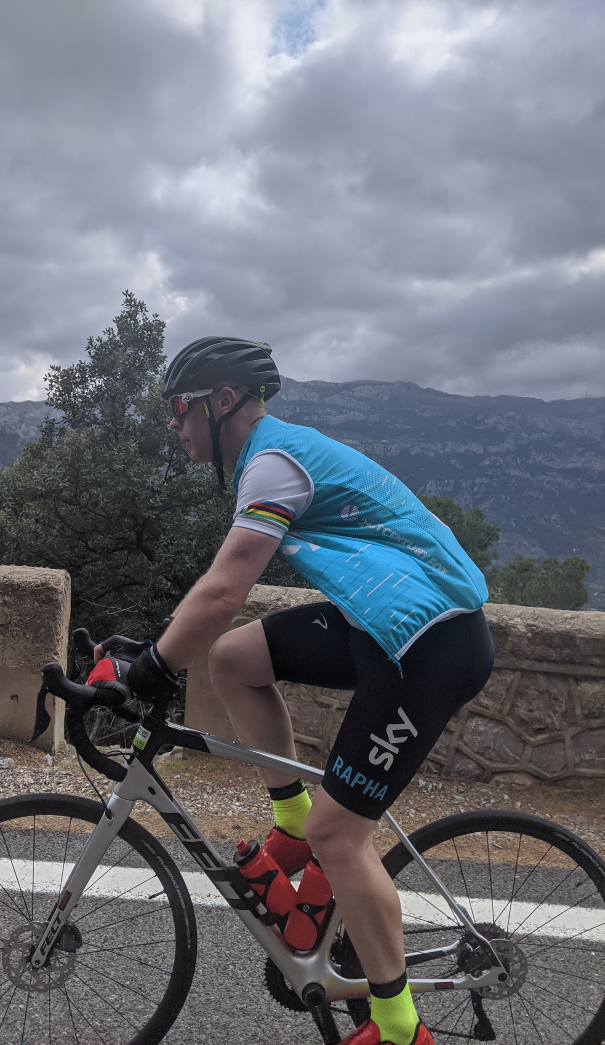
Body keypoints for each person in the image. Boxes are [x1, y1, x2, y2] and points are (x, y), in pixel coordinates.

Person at [103, 336, 494, 1045]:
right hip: (379, 622)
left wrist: (152, 670)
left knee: (339, 834)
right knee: (232, 660)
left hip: (430, 643)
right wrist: (159, 645)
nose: (173, 422)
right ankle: (290, 826)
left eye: (180, 407)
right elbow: (214, 612)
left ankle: (401, 1029)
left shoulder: (273, 463)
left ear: (223, 402)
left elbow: (225, 588)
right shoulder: (270, 456)